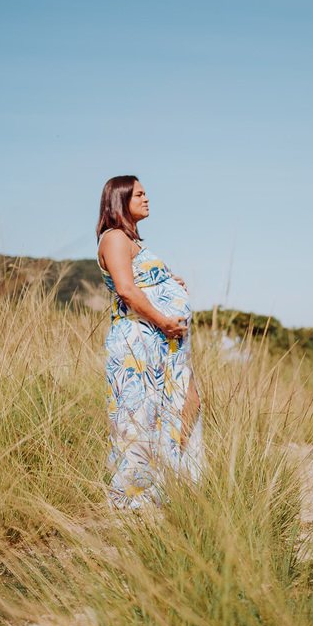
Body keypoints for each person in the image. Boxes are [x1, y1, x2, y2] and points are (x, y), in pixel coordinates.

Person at [96, 175, 204, 509]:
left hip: (162, 343)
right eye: (139, 194)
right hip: (138, 342)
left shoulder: (135, 243)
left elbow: (142, 281)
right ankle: (134, 499)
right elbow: (126, 290)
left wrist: (169, 283)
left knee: (187, 405)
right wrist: (161, 319)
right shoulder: (114, 237)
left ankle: (169, 484)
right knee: (138, 419)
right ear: (120, 199)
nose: (147, 199)